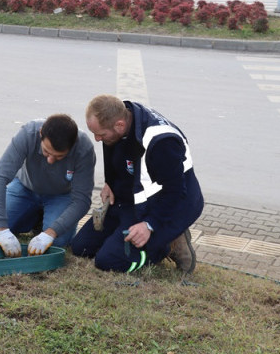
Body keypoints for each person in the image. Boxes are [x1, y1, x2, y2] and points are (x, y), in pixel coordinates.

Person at [70, 95, 203, 275]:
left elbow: (176, 192)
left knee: (108, 261)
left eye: (100, 134)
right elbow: (113, 150)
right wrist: (110, 182)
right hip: (131, 199)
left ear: (120, 125)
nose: (97, 139)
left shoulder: (162, 143)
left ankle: (167, 243)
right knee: (80, 248)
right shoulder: (121, 117)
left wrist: (149, 225)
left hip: (167, 206)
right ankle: (128, 236)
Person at [0, 115, 96, 257]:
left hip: (61, 195)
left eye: (59, 156)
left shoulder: (84, 148)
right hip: (25, 188)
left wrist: (51, 232)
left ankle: (45, 221)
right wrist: (2, 229)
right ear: (40, 134)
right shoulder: (28, 133)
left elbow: (82, 200)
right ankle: (35, 218)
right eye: (46, 151)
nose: (50, 160)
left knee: (58, 241)